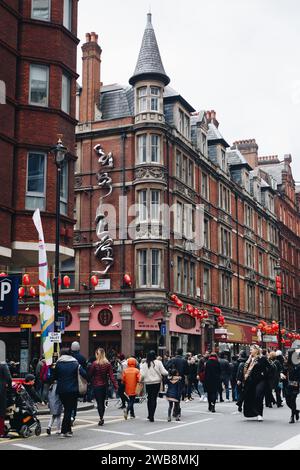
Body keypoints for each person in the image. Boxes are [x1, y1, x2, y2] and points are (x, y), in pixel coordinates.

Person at [54, 348, 87, 438]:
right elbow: (84, 374)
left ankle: (68, 430)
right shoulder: (75, 363)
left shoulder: (58, 364)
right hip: (72, 390)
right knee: (68, 410)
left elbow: (54, 377)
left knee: (66, 408)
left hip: (61, 390)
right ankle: (63, 431)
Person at [88, 348, 118, 426]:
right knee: (103, 402)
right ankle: (102, 417)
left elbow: (90, 375)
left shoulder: (94, 364)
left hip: (96, 385)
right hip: (104, 386)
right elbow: (112, 376)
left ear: (97, 354)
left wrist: (88, 381)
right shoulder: (107, 364)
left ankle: (101, 418)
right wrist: (115, 385)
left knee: (99, 402)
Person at [242, 344, 271, 422]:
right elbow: (244, 369)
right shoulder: (249, 359)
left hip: (261, 380)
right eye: (250, 349)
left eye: (252, 349)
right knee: (250, 396)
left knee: (259, 395)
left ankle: (260, 414)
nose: (250, 350)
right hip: (251, 381)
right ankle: (253, 412)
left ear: (257, 350)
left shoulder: (262, 359)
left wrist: (264, 374)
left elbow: (270, 367)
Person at [140, 351, 168, 422]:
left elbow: (142, 375)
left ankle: (150, 415)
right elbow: (164, 372)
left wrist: (140, 381)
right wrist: (169, 373)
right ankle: (152, 415)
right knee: (154, 398)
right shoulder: (158, 362)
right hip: (156, 382)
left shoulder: (144, 364)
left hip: (148, 383)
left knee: (149, 398)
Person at [166, 349, 189, 418]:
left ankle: (173, 412)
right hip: (180, 379)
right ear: (182, 353)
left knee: (172, 392)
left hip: (172, 378)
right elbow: (187, 371)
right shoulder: (184, 360)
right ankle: (177, 411)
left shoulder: (172, 360)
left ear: (176, 353)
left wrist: (170, 372)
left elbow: (166, 366)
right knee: (178, 394)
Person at [284, 350, 300, 423]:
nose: (286, 355)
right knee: (288, 402)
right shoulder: (286, 364)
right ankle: (296, 411)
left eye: (288, 354)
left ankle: (292, 416)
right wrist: (281, 374)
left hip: (295, 385)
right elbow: (282, 371)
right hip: (287, 385)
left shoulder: (298, 364)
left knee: (293, 400)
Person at [0, 361, 12, 438]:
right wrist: (9, 388)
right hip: (1, 391)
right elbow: (9, 378)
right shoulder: (3, 366)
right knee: (1, 412)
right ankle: (1, 432)